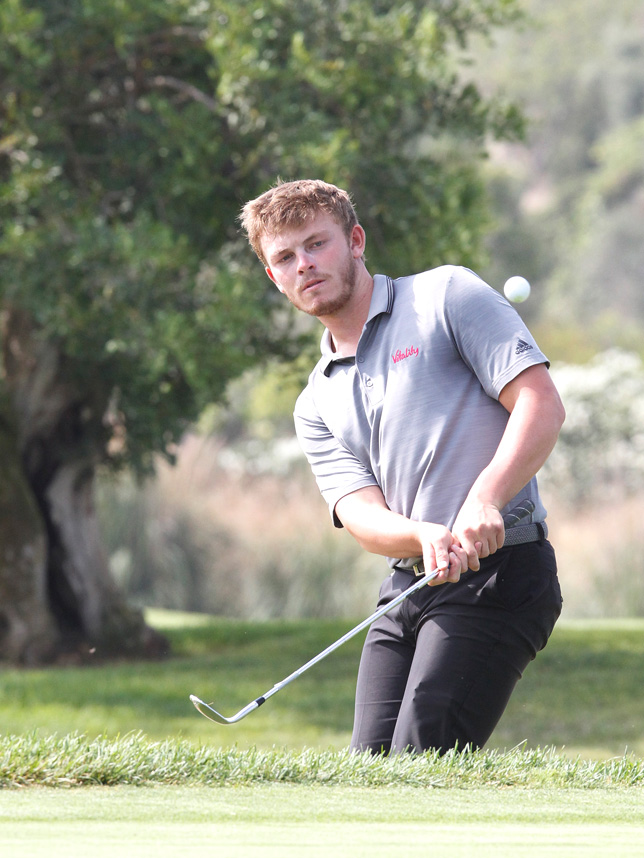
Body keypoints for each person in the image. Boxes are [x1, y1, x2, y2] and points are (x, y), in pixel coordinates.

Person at [239, 178, 564, 754]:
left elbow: (540, 404)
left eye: (317, 244)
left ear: (356, 240)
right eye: (285, 257)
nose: (304, 265)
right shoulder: (313, 402)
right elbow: (362, 516)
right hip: (407, 584)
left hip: (502, 570)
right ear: (273, 277)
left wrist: (485, 498)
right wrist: (420, 533)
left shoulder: (446, 295)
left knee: (423, 751)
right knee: (368, 769)